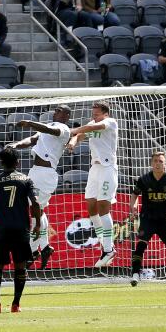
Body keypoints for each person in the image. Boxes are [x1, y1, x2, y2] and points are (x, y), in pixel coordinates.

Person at [8, 106, 76, 269]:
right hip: (35, 172)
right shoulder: (48, 129)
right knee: (37, 211)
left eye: (59, 110)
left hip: (46, 174)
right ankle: (44, 248)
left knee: (33, 211)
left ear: (66, 115)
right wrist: (15, 145)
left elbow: (47, 129)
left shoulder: (63, 129)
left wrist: (31, 122)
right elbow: (32, 139)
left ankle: (33, 251)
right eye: (55, 110)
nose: (55, 112)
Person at [0, 147, 40, 314]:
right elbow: (35, 203)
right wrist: (37, 225)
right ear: (17, 162)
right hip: (21, 229)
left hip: (2, 229)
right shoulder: (26, 180)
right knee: (20, 266)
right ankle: (16, 304)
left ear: (1, 162)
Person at [67, 101, 120, 266]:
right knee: (91, 207)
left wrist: (75, 130)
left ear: (105, 114)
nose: (94, 117)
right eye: (93, 114)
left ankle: (108, 248)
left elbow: (89, 129)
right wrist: (73, 141)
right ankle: (105, 247)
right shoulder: (92, 123)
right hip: (94, 169)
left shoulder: (110, 123)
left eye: (97, 114)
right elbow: (82, 135)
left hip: (107, 168)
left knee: (103, 206)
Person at [129, 151, 166, 285]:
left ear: (165, 164)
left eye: (160, 161)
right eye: (155, 161)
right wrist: (133, 207)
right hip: (147, 219)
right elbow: (134, 195)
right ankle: (135, 275)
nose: (158, 164)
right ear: (151, 163)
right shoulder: (144, 179)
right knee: (140, 246)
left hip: (164, 220)